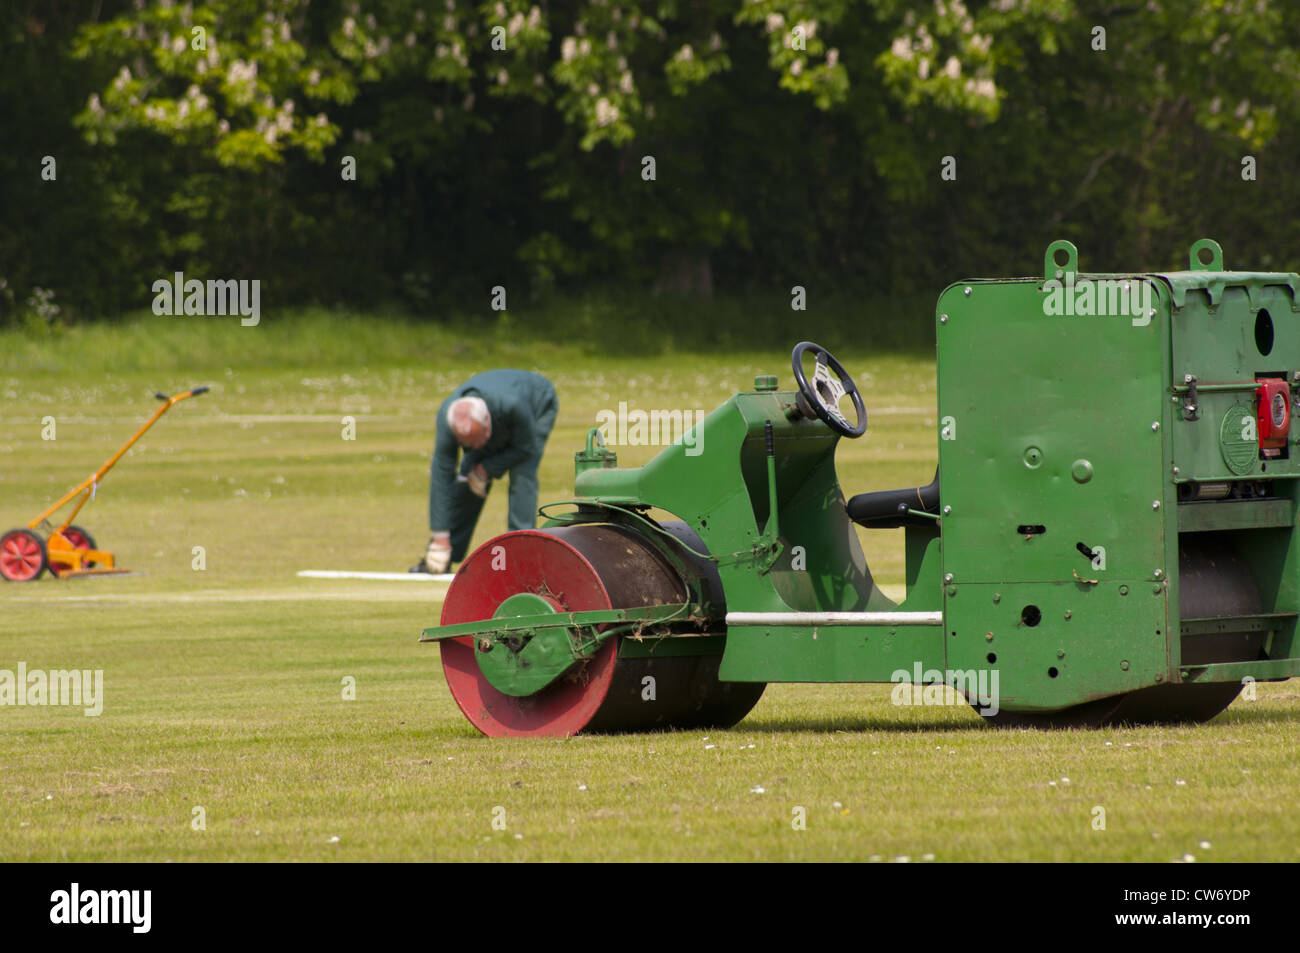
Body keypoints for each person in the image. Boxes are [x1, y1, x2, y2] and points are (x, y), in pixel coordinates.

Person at [411, 369, 559, 574]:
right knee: (467, 476)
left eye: (478, 441)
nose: (475, 448)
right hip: (497, 417)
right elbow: (442, 473)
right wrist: (440, 536)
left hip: (538, 404)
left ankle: (520, 558)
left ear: (488, 424)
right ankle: (443, 556)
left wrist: (486, 468)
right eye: (467, 445)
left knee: (522, 474)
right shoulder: (448, 418)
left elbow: (525, 448)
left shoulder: (514, 405)